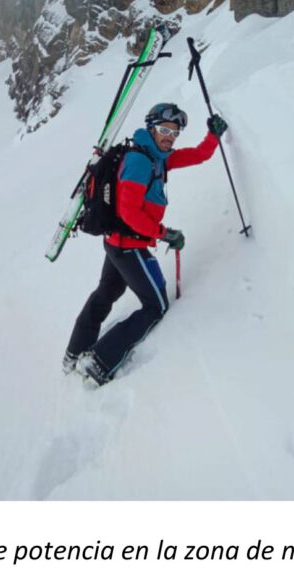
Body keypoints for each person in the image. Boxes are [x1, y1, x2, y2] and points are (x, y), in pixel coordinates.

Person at [64, 102, 229, 385]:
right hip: (129, 246)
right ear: (151, 128)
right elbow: (129, 213)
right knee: (155, 306)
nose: (170, 137)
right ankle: (99, 362)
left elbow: (197, 155)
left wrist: (213, 136)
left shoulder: (158, 157)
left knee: (107, 292)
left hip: (117, 243)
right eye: (164, 130)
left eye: (175, 133)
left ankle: (75, 352)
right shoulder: (141, 161)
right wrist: (163, 233)